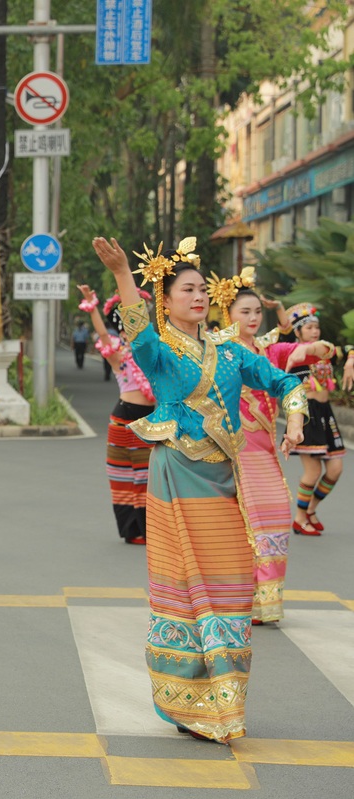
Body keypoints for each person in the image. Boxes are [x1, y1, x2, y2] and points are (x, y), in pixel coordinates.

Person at [94, 235, 305, 744]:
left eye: (200, 290)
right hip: (177, 475)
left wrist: (295, 420)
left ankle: (224, 697)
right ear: (165, 299)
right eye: (185, 290)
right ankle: (192, 701)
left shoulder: (231, 352)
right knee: (188, 586)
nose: (197, 298)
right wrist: (125, 274)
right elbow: (138, 332)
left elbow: (284, 383)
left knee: (233, 585)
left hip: (223, 479)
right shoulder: (160, 352)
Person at [208, 275, 323, 624]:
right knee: (240, 528)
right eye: (245, 311)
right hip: (232, 453)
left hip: (266, 455)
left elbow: (310, 350)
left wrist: (336, 352)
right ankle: (233, 598)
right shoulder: (215, 350)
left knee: (274, 521)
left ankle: (265, 601)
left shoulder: (269, 350)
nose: (254, 317)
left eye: (258, 311)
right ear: (228, 313)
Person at [77, 285, 156, 544]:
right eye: (128, 326)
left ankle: (149, 529)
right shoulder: (119, 354)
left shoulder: (153, 351)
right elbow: (101, 333)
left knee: (147, 477)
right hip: (124, 419)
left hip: (148, 419)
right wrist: (92, 305)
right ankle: (133, 530)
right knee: (123, 476)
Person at [279, 302, 353, 535]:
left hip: (326, 413)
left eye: (316, 327)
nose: (315, 331)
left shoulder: (324, 350)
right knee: (312, 472)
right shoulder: (292, 353)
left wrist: (350, 359)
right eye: (309, 327)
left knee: (335, 469)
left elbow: (348, 347)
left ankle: (310, 509)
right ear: (298, 331)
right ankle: (300, 518)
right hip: (307, 413)